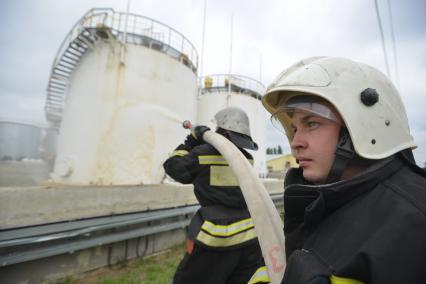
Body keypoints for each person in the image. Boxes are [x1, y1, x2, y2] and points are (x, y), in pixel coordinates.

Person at [261, 56, 426, 283]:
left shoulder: (415, 222)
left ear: (360, 128)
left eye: (311, 124)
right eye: (294, 128)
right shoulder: (324, 200)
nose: (295, 141)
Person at [163, 107, 270, 284]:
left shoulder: (202, 153)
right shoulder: (246, 158)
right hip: (249, 232)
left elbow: (173, 167)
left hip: (216, 234)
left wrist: (189, 143)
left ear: (223, 130)